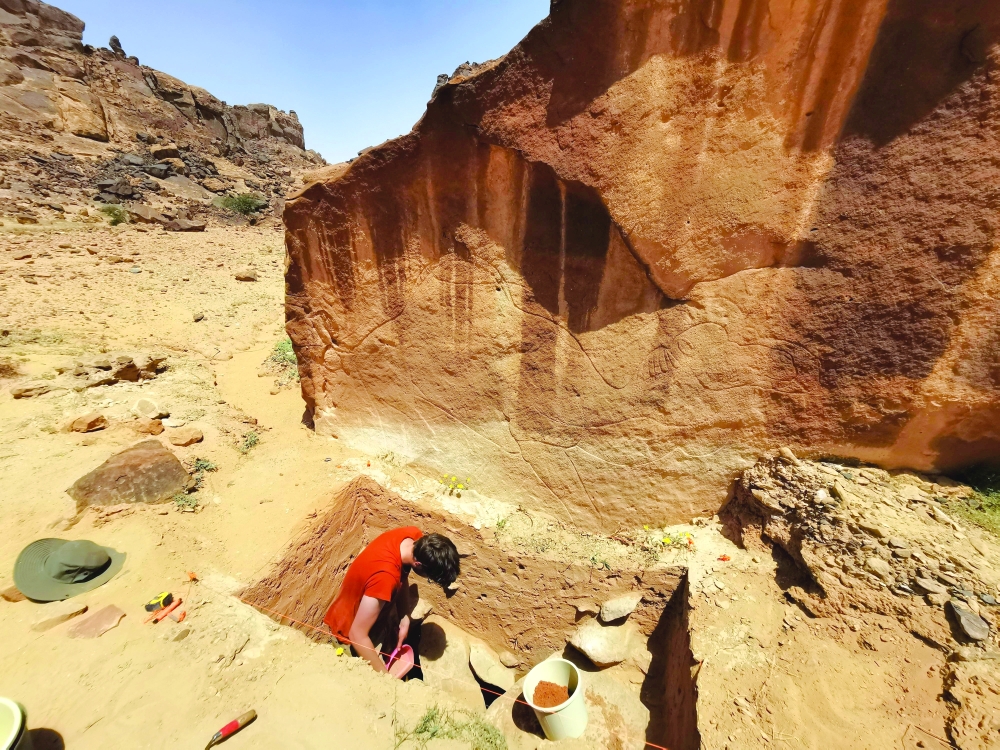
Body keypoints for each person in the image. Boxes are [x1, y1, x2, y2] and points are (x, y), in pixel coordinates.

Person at [323, 526, 460, 676]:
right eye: (429, 579)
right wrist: (385, 679)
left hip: (371, 619)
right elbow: (358, 635)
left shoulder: (413, 537)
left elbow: (403, 575)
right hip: (349, 633)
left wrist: (405, 617)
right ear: (418, 564)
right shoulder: (385, 578)